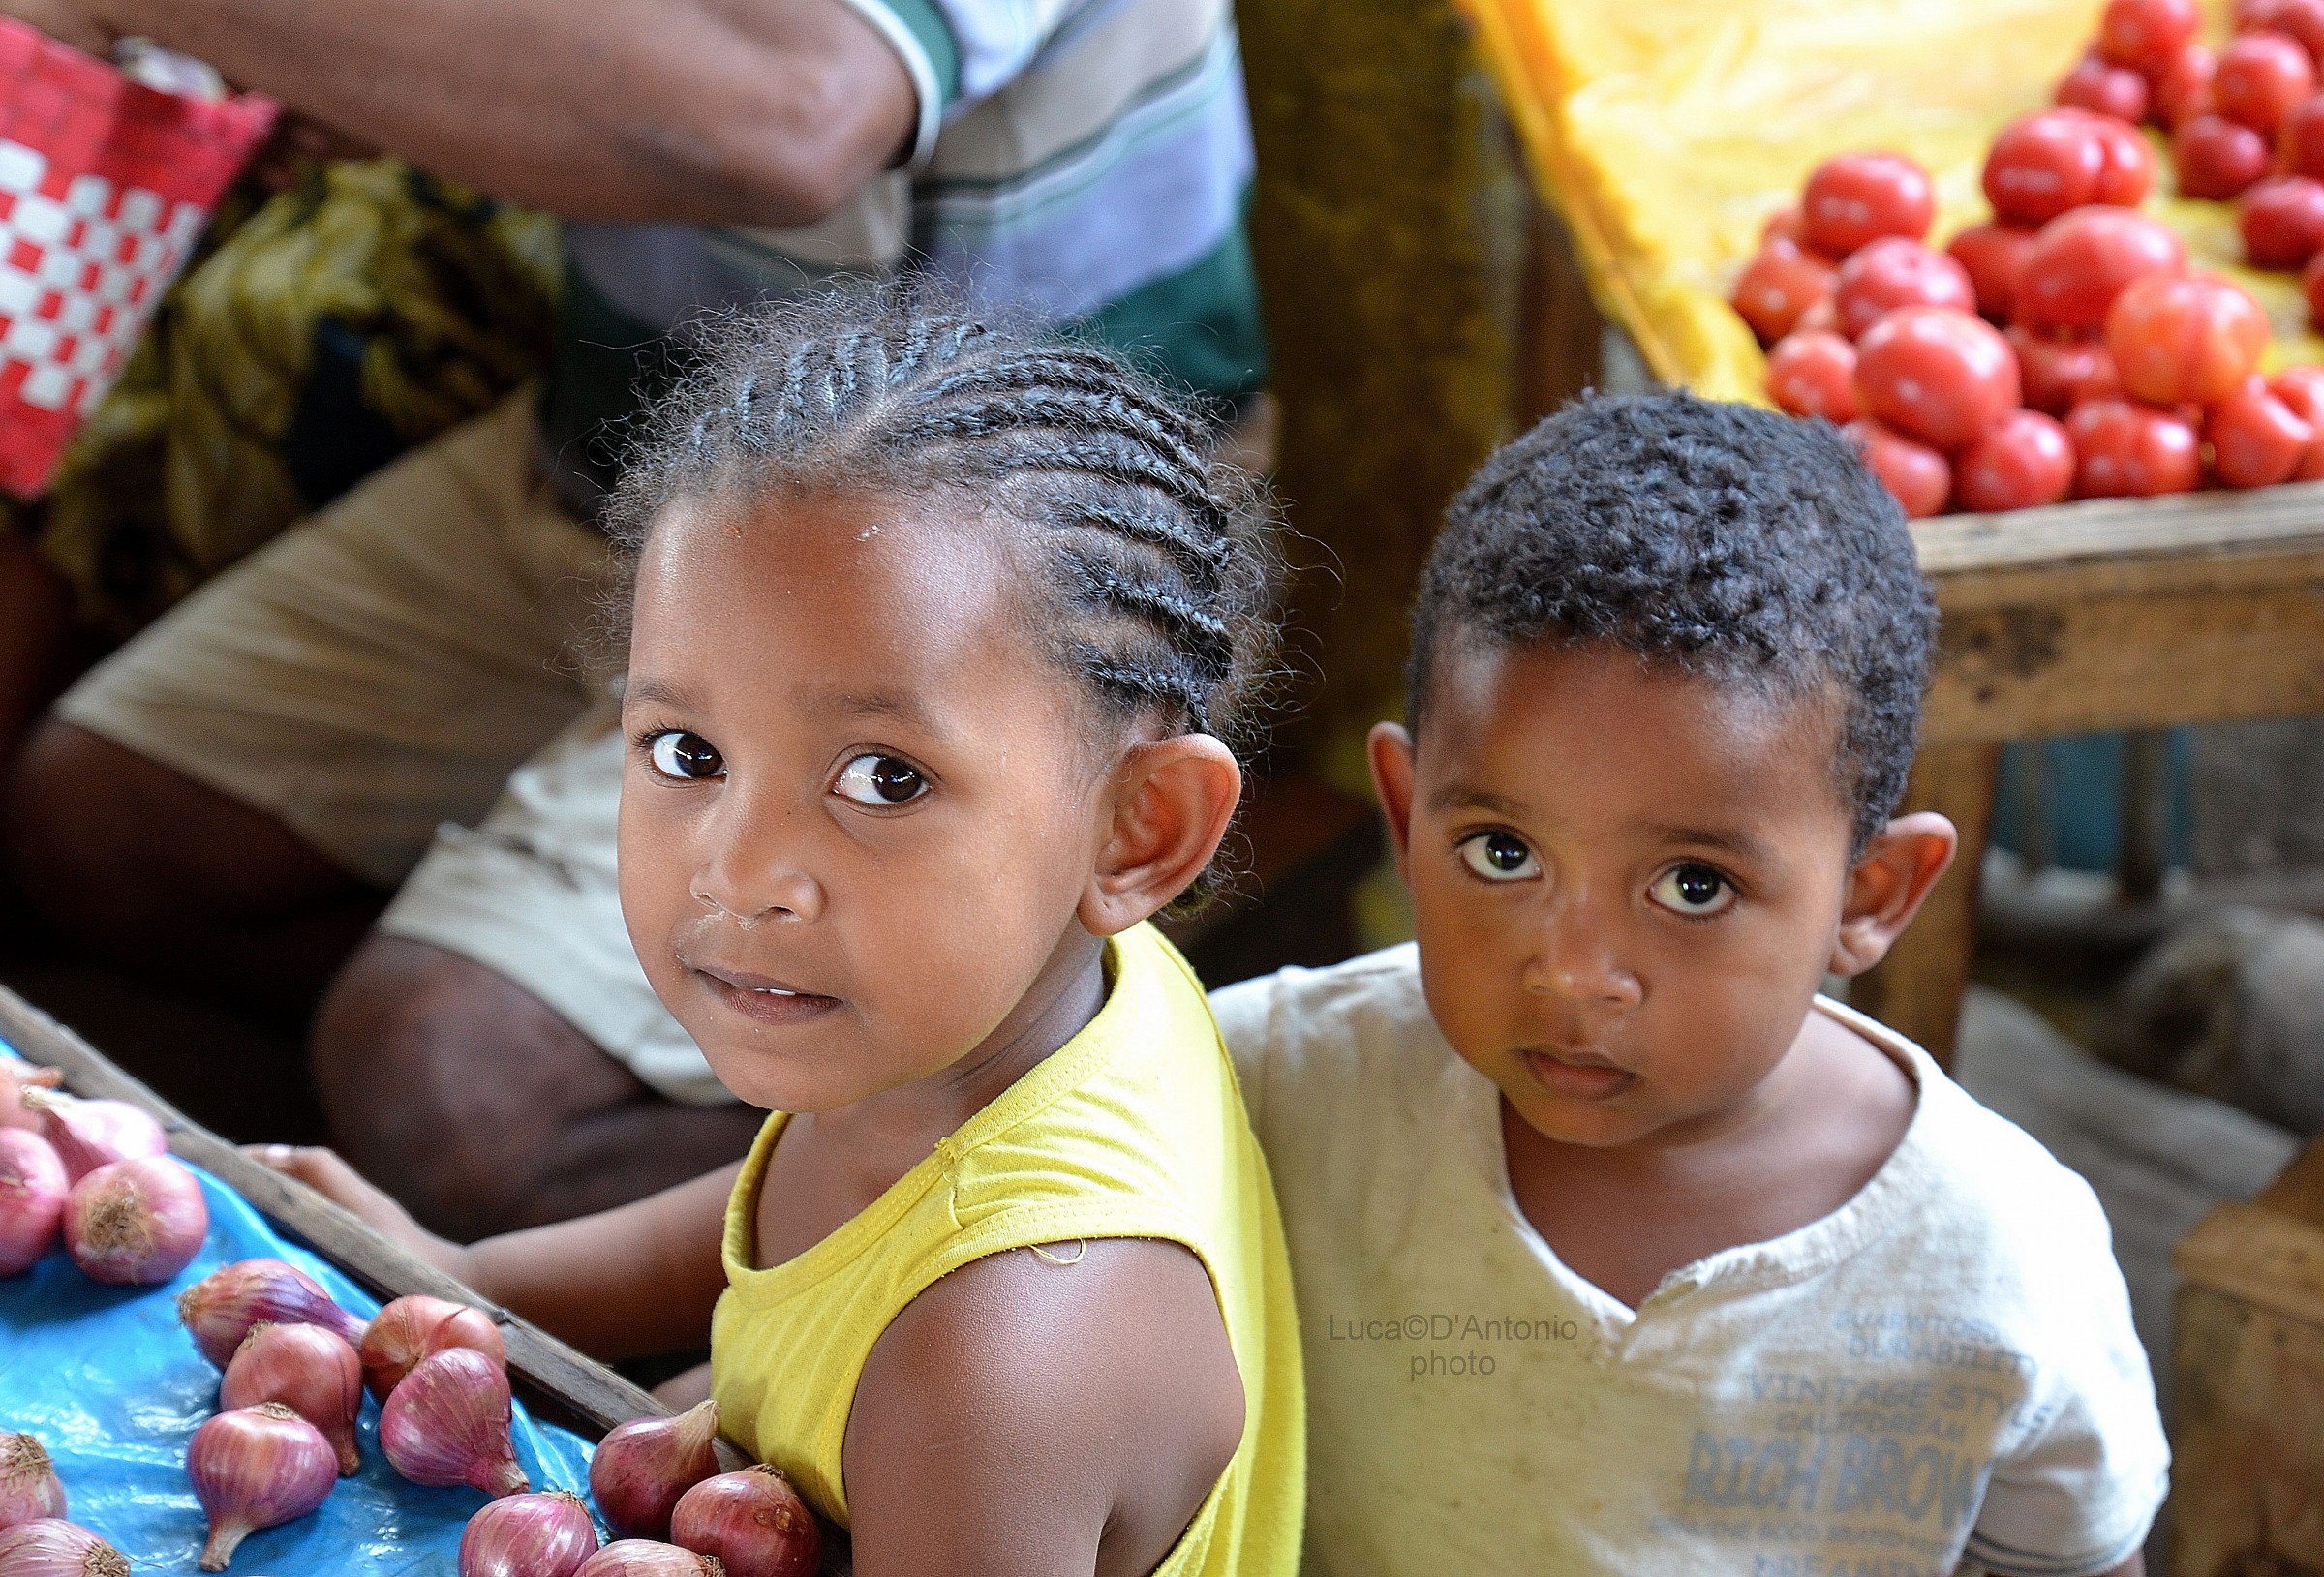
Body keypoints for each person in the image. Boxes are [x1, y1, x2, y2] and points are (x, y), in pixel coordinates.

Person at [3, 0, 1269, 1235]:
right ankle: (677, 1070)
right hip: (623, 460)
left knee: (445, 1084)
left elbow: (795, 113)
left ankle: (1027, 1171)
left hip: (989, 561)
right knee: (105, 829)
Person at [262, 295, 1302, 1577]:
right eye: (686, 752)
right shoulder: (1000, 1015)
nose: (743, 872)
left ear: (1138, 830)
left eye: (885, 780)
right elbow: (800, 1198)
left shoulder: (992, 1371)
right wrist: (466, 1274)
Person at [1208, 395, 2170, 1575]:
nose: (1573, 971)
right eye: (1503, 853)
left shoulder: (1999, 1260)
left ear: (1870, 896)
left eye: (1694, 887)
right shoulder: (1262, 1095)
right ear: (1407, 821)